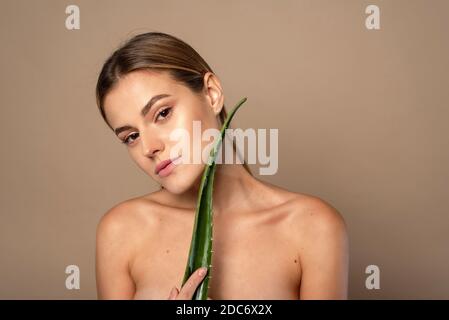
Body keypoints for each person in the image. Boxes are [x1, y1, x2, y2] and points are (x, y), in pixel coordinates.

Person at [95, 32, 349, 300]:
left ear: (212, 94)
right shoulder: (122, 231)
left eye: (163, 113)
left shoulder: (312, 227)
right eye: (131, 137)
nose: (149, 147)